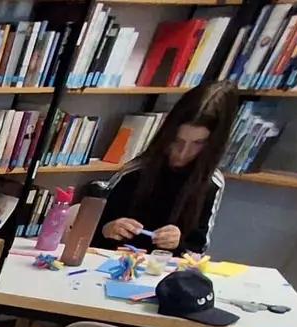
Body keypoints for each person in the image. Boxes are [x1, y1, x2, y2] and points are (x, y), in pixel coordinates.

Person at [93, 80, 238, 255]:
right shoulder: (135, 171)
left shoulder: (211, 183)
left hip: (165, 271)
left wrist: (180, 242)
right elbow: (90, 227)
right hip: (116, 263)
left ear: (212, 144)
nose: (183, 153)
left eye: (198, 143)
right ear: (168, 133)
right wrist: (107, 229)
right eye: (178, 140)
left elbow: (198, 249)